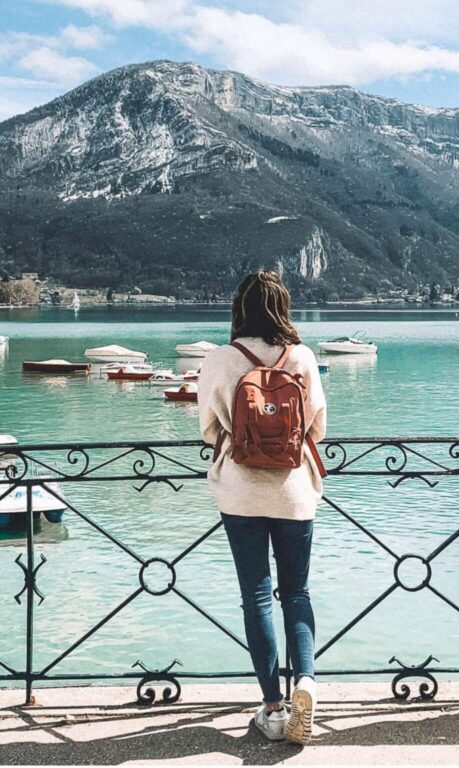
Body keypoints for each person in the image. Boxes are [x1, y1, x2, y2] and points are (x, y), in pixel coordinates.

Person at [198, 270, 326, 745]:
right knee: (297, 593)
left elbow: (210, 430)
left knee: (256, 596)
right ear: (284, 307)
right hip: (295, 493)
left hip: (241, 490)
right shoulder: (304, 358)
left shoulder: (221, 359)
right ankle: (306, 683)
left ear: (240, 308)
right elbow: (317, 429)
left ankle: (272, 708)